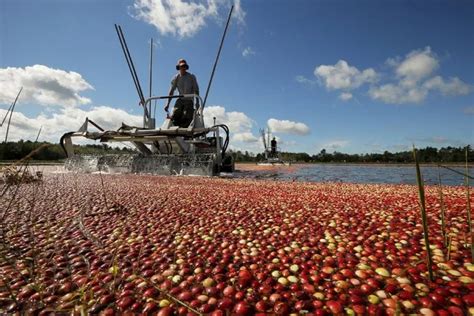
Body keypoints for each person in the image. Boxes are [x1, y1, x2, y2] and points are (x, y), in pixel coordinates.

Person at [164, 59, 200, 128]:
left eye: (184, 66)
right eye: (181, 66)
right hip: (180, 99)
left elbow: (196, 90)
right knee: (175, 114)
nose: (183, 68)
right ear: (178, 67)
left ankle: (184, 131)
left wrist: (197, 102)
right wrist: (167, 103)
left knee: (186, 115)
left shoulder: (191, 76)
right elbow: (171, 91)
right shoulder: (176, 78)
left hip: (189, 99)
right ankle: (175, 130)